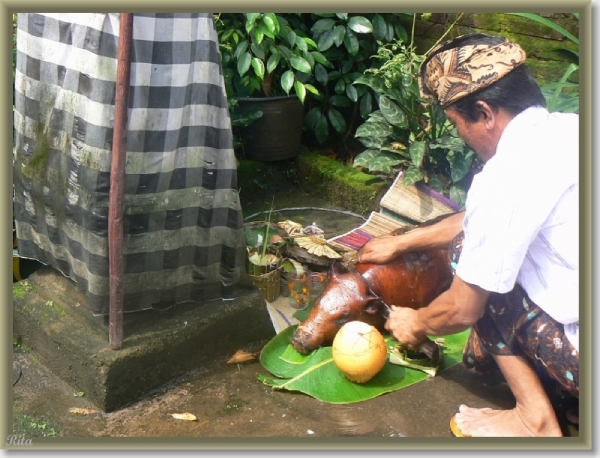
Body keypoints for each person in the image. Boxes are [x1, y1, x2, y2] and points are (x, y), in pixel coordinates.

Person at [356, 33, 579, 437]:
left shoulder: (506, 174)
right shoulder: (571, 130)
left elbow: (462, 309)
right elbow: (485, 221)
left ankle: (535, 419)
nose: (461, 135)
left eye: (457, 124)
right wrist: (403, 240)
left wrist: (416, 322)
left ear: (484, 112)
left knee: (475, 266)